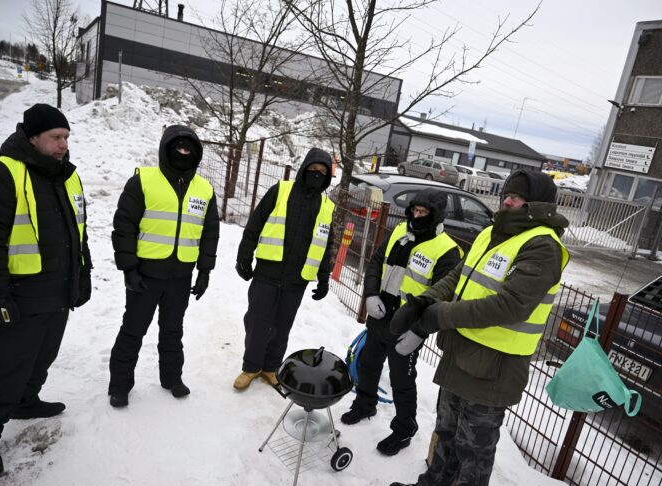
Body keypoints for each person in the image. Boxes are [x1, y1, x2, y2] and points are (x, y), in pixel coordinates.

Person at [387, 169, 570, 486]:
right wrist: (424, 301)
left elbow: (511, 305)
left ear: (538, 204)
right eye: (507, 195)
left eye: (517, 197)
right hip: (462, 352)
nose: (508, 200)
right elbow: (460, 275)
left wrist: (440, 316)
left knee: (474, 450)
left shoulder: (543, 246)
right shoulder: (492, 232)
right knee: (446, 430)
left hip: (495, 367)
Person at [0, 103, 92, 479]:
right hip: (17, 297)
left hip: (56, 294)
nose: (63, 144)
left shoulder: (67, 177)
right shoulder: (2, 174)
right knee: (3, 371)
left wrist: (83, 273)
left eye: (66, 137)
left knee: (40, 361)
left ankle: (25, 401)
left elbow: (79, 231)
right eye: (56, 137)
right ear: (32, 137)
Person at [340, 189, 462, 456]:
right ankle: (365, 403)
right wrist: (370, 295)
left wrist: (419, 332)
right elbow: (375, 263)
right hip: (382, 312)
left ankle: (404, 428)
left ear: (436, 215)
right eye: (414, 211)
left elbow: (441, 298)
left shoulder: (447, 251)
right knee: (368, 362)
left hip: (408, 325)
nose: (416, 216)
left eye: (423, 213)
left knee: (401, 379)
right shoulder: (399, 232)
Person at [108, 125, 219, 408]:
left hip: (181, 276)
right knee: (133, 331)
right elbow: (124, 226)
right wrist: (128, 268)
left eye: (189, 149)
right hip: (145, 274)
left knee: (172, 331)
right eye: (178, 148)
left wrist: (205, 271)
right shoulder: (143, 181)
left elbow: (209, 233)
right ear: (165, 149)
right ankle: (120, 385)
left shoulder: (204, 190)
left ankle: (172, 378)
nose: (184, 153)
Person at [233, 148, 335, 390]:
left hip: (297, 280)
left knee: (282, 327)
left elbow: (326, 245)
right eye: (313, 169)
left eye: (323, 172)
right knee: (258, 321)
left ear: (328, 176)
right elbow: (255, 223)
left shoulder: (327, 206)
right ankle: (250, 368)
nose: (317, 174)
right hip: (268, 272)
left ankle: (270, 368)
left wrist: (323, 278)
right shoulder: (281, 190)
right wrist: (244, 256)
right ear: (304, 169)